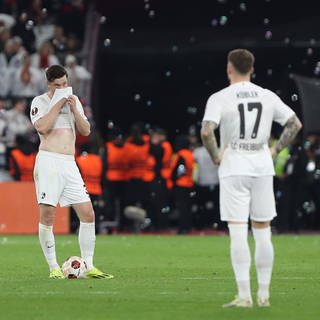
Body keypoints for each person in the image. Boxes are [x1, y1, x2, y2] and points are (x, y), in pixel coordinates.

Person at [201, 49, 302, 307]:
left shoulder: (220, 97)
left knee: (237, 232)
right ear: (252, 69)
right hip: (262, 165)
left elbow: (206, 132)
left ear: (229, 69)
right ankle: (264, 295)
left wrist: (215, 156)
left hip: (234, 166)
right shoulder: (267, 96)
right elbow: (294, 124)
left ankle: (244, 295)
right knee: (263, 232)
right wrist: (276, 150)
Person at [30, 65, 113, 279]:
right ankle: (53, 268)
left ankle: (89, 265)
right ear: (49, 84)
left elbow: (86, 131)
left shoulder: (74, 101)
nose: (63, 88)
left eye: (65, 84)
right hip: (49, 162)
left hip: (69, 163)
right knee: (48, 216)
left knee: (88, 213)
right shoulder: (39, 102)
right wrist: (58, 102)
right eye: (58, 85)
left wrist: (75, 108)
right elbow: (42, 128)